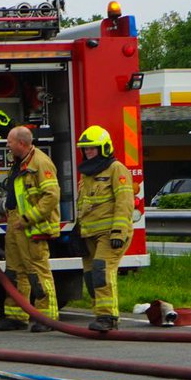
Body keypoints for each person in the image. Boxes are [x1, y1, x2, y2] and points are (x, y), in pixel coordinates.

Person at [0, 126, 61, 332]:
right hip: (16, 223)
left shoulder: (41, 163)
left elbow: (51, 195)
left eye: (10, 142)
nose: (7, 145)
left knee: (37, 271)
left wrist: (28, 218)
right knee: (15, 271)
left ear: (22, 144)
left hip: (32, 226)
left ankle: (47, 317)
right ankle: (17, 315)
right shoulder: (19, 162)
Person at [74, 125, 134, 332]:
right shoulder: (87, 175)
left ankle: (108, 317)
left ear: (104, 148)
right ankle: (99, 314)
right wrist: (78, 231)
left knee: (101, 270)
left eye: (92, 148)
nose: (88, 152)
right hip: (89, 234)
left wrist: (119, 231)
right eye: (86, 149)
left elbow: (125, 202)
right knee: (91, 277)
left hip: (110, 234)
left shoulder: (116, 169)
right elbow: (84, 204)